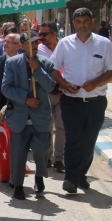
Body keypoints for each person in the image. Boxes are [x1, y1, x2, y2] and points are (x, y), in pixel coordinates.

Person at [51, 7, 112, 193]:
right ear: (73, 24)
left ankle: (81, 175)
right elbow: (54, 69)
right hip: (71, 101)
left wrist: (96, 82)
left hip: (95, 102)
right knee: (72, 140)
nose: (82, 25)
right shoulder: (64, 44)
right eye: (78, 22)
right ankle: (71, 179)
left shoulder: (104, 44)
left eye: (85, 21)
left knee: (88, 141)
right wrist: (64, 85)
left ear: (92, 22)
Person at [1, 30, 57, 199]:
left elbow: (51, 87)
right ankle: (18, 185)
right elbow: (6, 87)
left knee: (41, 149)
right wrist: (25, 99)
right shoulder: (12, 63)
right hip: (19, 117)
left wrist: (38, 70)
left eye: (36, 43)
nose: (33, 46)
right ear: (22, 46)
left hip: (40, 117)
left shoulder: (46, 63)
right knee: (18, 152)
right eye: (30, 43)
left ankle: (39, 176)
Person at [38, 21, 66, 172]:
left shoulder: (65, 47)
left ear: (54, 34)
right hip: (46, 93)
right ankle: (47, 157)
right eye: (40, 34)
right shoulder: (39, 50)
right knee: (47, 126)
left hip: (64, 93)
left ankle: (59, 159)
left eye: (44, 34)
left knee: (62, 127)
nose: (41, 37)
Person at [0, 33, 20, 146]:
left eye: (8, 42)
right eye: (4, 41)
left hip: (16, 103)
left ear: (17, 46)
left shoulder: (23, 62)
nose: (5, 44)